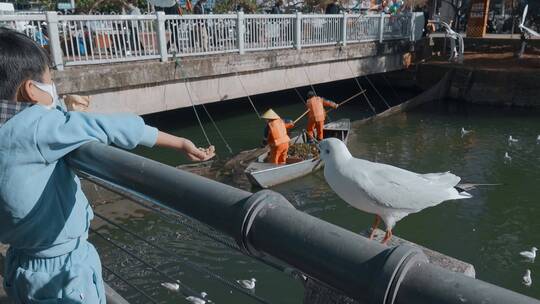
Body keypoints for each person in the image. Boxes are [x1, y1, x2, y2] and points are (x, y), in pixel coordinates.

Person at [0, 28, 215, 304]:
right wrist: (181, 143)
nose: (54, 86)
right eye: (50, 80)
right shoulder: (41, 127)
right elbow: (113, 127)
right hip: (63, 269)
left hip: (19, 264)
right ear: (31, 90)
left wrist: (61, 110)